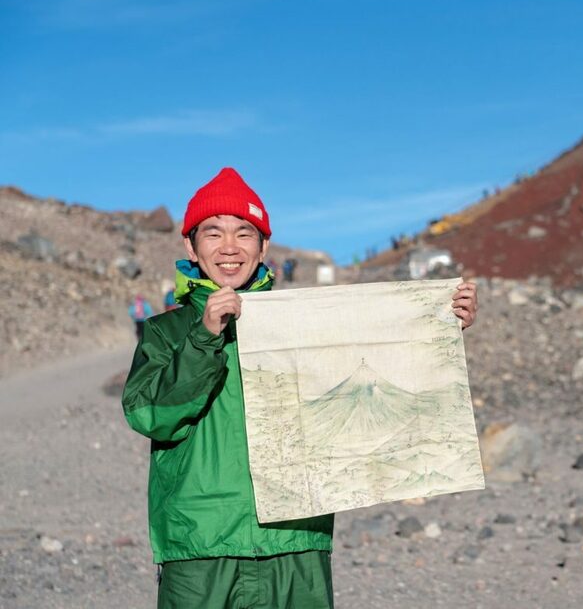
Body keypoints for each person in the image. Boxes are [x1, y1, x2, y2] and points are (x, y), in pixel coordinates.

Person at [121, 167, 478, 608]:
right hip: (200, 547)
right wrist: (204, 337)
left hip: (297, 540)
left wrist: (439, 324)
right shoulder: (166, 332)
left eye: (244, 233)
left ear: (264, 245)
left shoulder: (303, 325)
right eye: (213, 233)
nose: (229, 247)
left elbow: (370, 374)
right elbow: (149, 415)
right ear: (190, 247)